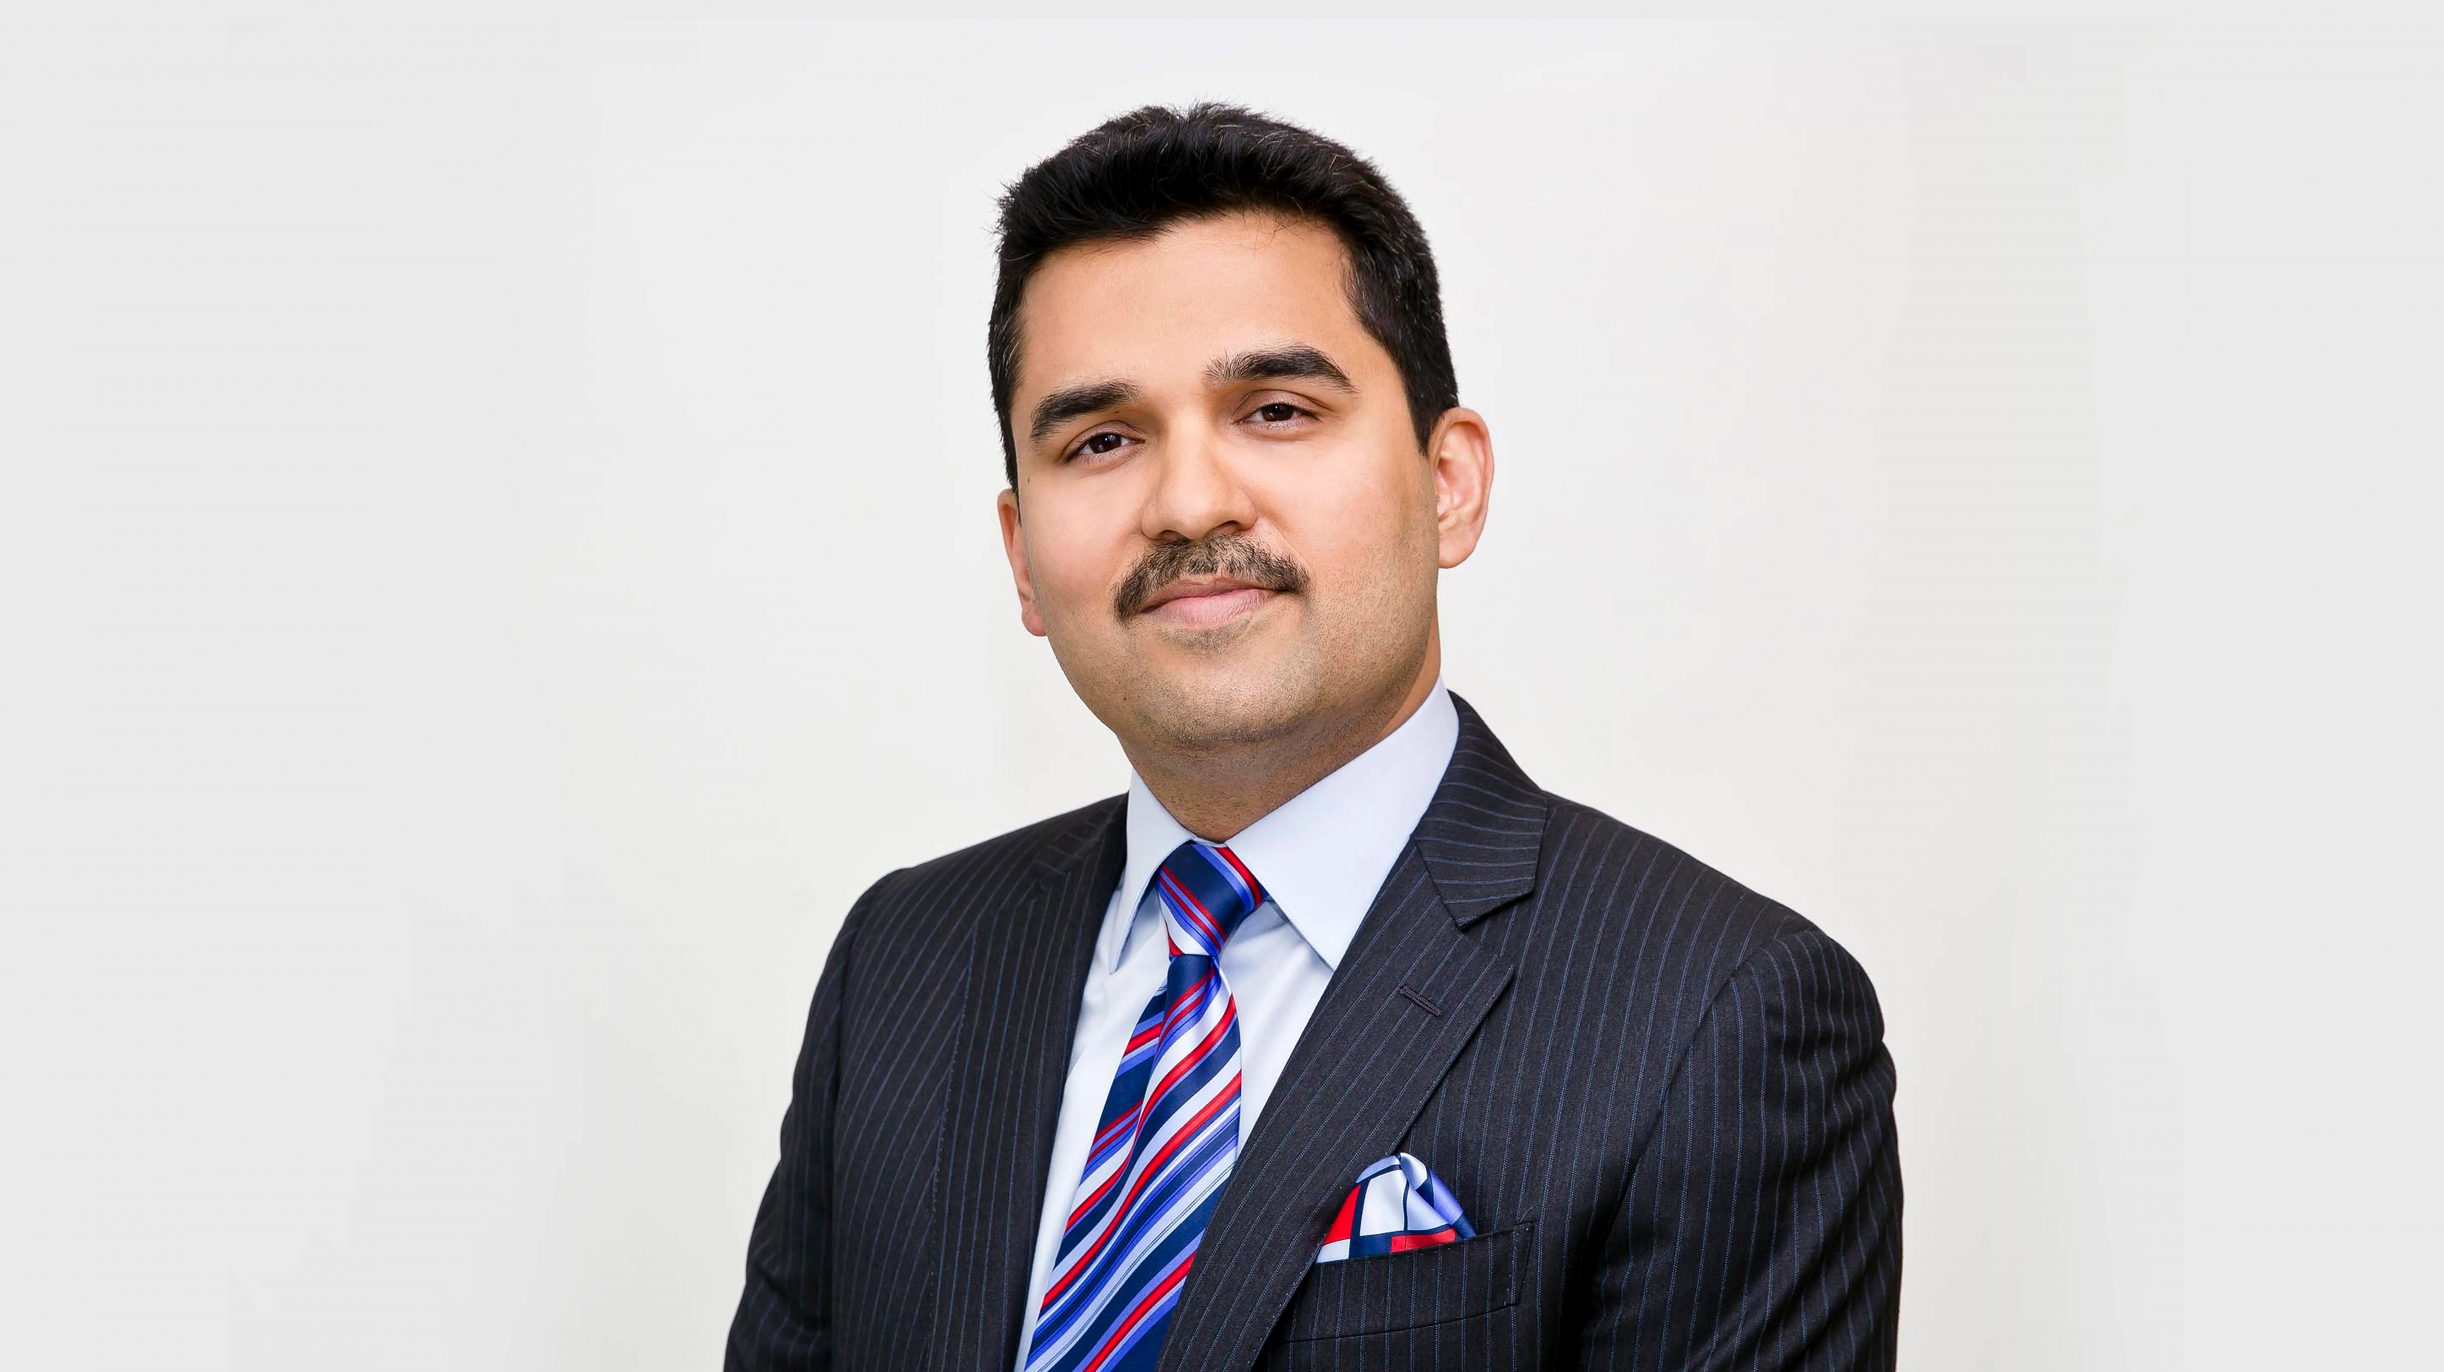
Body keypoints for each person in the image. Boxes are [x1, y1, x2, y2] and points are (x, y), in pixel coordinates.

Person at [726, 101, 1901, 1372]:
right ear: (1022, 557)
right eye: (1101, 440)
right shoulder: (903, 962)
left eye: (1276, 410)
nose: (1189, 503)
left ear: (1448, 483)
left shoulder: (1719, 1011)